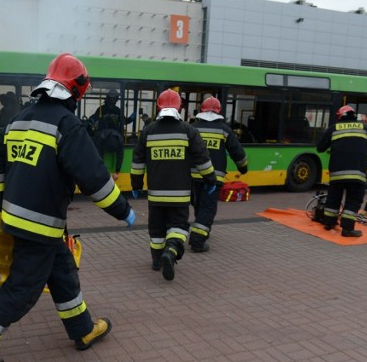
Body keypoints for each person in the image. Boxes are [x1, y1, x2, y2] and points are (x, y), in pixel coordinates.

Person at [0, 53, 136, 362]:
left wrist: (1, 204)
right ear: (75, 93)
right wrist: (123, 211)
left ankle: (82, 330)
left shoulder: (18, 119)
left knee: (63, 272)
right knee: (21, 292)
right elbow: (93, 177)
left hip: (22, 221)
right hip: (40, 226)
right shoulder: (67, 125)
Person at [131, 89, 216, 281]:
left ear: (158, 107)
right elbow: (202, 158)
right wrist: (210, 180)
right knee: (178, 226)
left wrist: (136, 186)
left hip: (155, 195)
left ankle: (156, 260)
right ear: (179, 107)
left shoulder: (148, 131)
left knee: (157, 228)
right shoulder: (188, 130)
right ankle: (171, 251)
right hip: (180, 194)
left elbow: (137, 163)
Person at [190, 97, 248, 252]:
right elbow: (238, 152)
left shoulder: (193, 128)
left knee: (199, 204)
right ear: (219, 111)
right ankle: (197, 240)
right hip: (213, 179)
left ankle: (199, 229)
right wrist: (243, 168)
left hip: (193, 176)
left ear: (201, 110)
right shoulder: (224, 130)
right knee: (208, 208)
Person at [316, 105, 367, 237]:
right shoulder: (365, 128)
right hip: (357, 173)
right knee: (353, 200)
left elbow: (320, 148)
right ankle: (347, 229)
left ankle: (329, 223)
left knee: (333, 198)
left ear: (340, 117)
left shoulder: (333, 128)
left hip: (337, 174)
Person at [89, 89, 136, 180]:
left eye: (114, 98)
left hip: (114, 136)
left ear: (116, 99)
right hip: (102, 136)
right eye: (111, 98)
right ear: (107, 98)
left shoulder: (117, 110)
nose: (112, 100)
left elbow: (124, 121)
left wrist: (131, 118)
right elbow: (94, 119)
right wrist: (90, 121)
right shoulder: (101, 109)